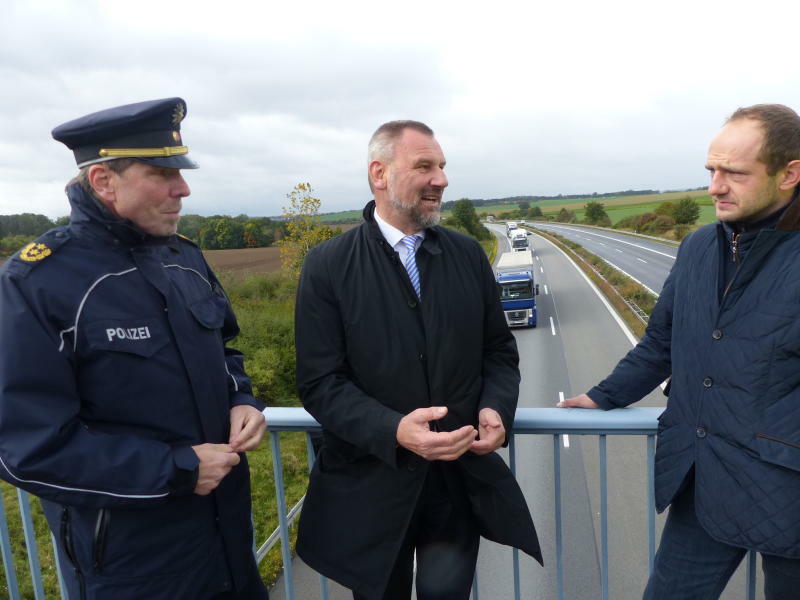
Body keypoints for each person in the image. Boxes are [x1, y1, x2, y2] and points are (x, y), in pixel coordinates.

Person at [0, 98, 269, 600]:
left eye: (180, 171)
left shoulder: (185, 259)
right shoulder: (37, 282)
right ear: (103, 181)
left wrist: (242, 400)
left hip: (229, 546)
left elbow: (225, 352)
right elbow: (25, 448)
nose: (183, 188)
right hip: (134, 569)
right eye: (162, 172)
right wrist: (177, 470)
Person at [558, 104, 800, 599]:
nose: (715, 186)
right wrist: (604, 395)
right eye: (711, 170)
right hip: (702, 475)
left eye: (733, 172)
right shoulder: (697, 248)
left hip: (789, 489)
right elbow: (662, 341)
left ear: (789, 174)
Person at [294, 120, 541, 600]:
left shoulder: (468, 256)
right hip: (371, 487)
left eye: (443, 167)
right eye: (425, 166)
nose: (441, 180)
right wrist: (394, 430)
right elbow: (320, 381)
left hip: (453, 484)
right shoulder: (328, 266)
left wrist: (495, 407)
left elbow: (498, 352)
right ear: (379, 174)